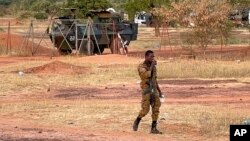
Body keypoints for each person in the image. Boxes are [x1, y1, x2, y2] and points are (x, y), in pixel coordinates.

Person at [133, 50, 164, 134]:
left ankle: (153, 128)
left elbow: (154, 79)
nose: (152, 58)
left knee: (156, 108)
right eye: (151, 56)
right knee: (145, 110)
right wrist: (152, 66)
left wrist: (160, 91)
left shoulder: (153, 67)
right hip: (146, 90)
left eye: (153, 57)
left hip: (154, 90)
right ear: (146, 57)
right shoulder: (141, 67)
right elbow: (147, 75)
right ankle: (137, 120)